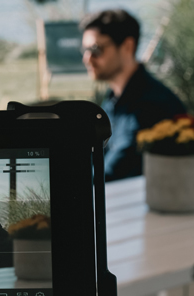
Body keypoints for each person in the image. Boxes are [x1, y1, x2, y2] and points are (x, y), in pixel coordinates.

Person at [80, 9, 187, 181]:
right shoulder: (114, 98)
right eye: (85, 50)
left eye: (96, 49)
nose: (87, 58)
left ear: (127, 46)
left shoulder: (152, 105)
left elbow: (114, 172)